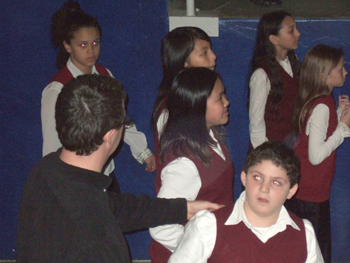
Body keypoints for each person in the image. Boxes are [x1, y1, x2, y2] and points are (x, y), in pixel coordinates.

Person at [16, 74, 223, 262]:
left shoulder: (46, 170)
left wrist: (182, 209)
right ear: (111, 135)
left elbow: (112, 208)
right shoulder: (98, 243)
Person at [42, 0, 155, 178]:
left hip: (106, 175)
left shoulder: (105, 74)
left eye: (95, 43)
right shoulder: (57, 90)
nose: (91, 51)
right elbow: (50, 147)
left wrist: (143, 152)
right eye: (83, 45)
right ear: (67, 46)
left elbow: (120, 118)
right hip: (77, 181)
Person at [168, 141, 324, 263]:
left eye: (276, 182)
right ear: (244, 178)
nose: (264, 189)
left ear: (291, 190)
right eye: (257, 177)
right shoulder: (208, 226)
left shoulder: (303, 233)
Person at [149, 68, 234, 262]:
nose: (227, 102)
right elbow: (159, 225)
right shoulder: (184, 165)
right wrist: (198, 248)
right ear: (198, 105)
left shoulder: (210, 135)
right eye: (220, 97)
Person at [286, 44, 350, 263]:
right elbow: (315, 156)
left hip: (310, 190)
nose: (345, 72)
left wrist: (340, 114)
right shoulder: (322, 105)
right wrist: (342, 128)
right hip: (311, 194)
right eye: (341, 68)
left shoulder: (320, 101)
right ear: (324, 74)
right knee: (315, 252)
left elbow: (318, 134)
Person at [151, 26, 216, 144]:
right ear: (185, 62)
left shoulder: (199, 98)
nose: (213, 56)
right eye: (204, 52)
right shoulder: (170, 110)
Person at [249, 11, 301, 149]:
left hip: (289, 145)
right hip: (270, 148)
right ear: (274, 39)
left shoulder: (293, 61)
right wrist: (265, 156)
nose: (298, 34)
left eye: (296, 28)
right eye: (291, 31)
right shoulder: (261, 74)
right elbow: (256, 123)